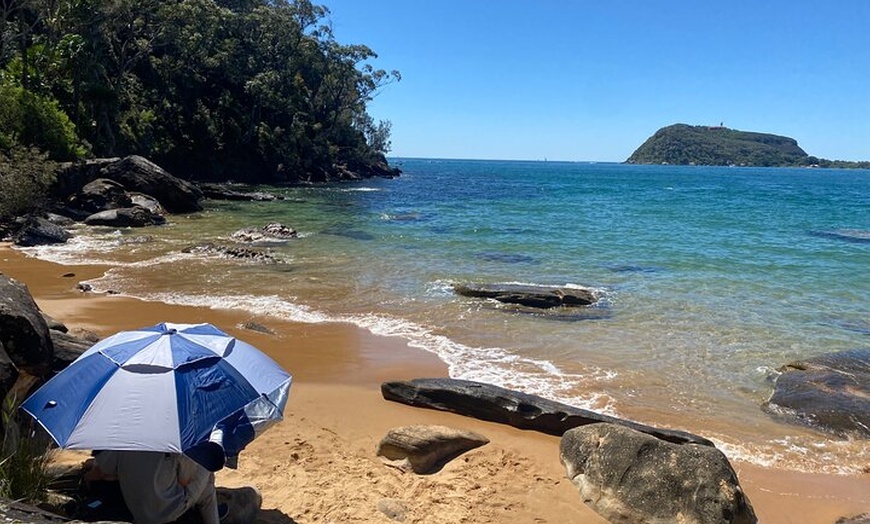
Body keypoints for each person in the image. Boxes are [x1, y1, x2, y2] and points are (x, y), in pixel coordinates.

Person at [85, 450, 220, 524]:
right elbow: (184, 482)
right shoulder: (176, 443)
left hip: (138, 512)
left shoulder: (125, 439)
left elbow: (103, 471)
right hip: (171, 511)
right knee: (208, 467)